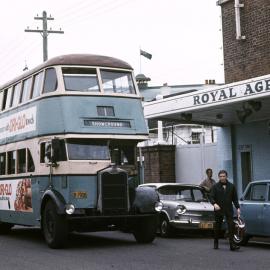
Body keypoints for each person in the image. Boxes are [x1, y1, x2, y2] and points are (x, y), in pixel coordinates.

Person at [209, 170, 241, 251]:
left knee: (231, 226)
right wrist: (214, 204)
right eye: (221, 176)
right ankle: (216, 242)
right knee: (218, 226)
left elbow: (235, 199)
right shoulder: (215, 186)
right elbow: (211, 197)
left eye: (224, 176)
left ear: (226, 176)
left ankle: (232, 245)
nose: (222, 178)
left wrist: (238, 208)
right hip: (218, 209)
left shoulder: (232, 186)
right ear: (219, 177)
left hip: (228, 209)